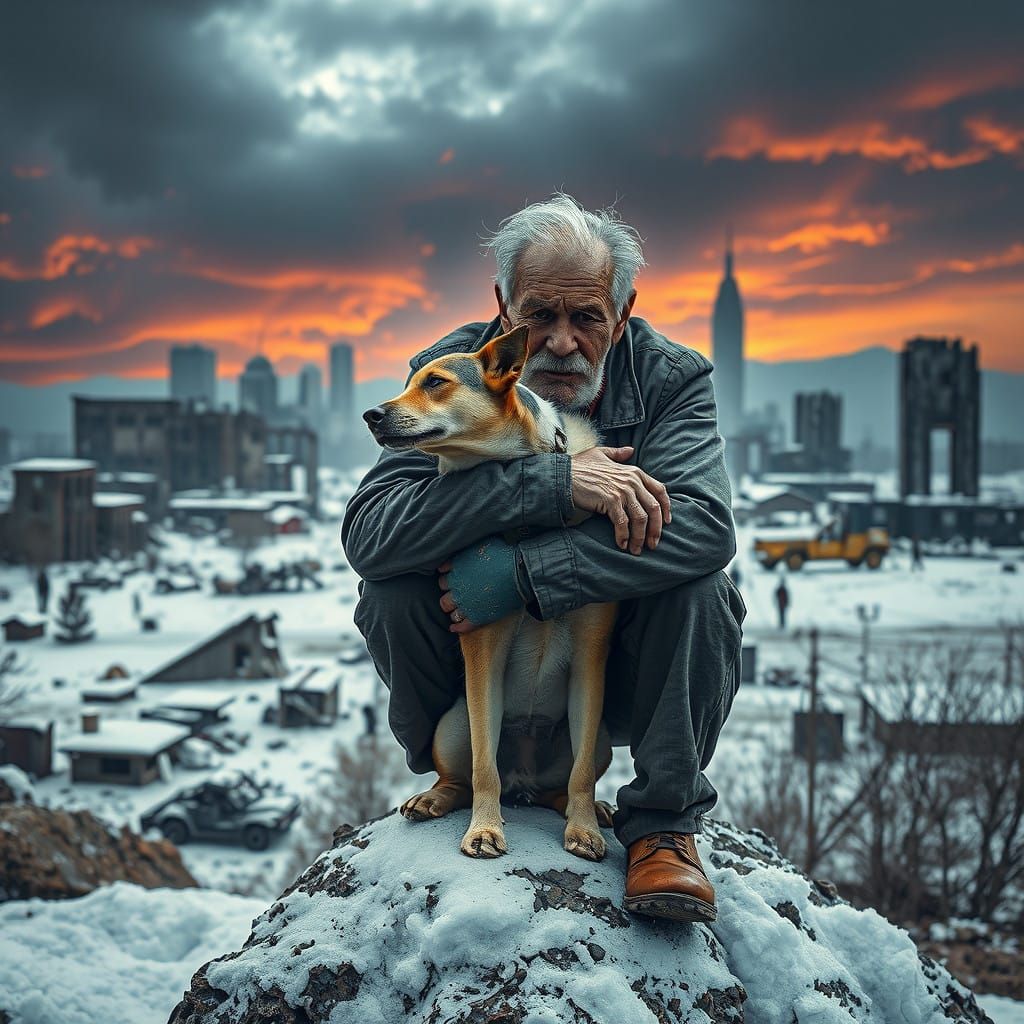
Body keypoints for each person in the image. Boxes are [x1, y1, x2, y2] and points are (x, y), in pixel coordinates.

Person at [342, 194, 745, 923]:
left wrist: (526, 578)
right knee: (390, 589)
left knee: (703, 592)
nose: (560, 343)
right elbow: (372, 535)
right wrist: (556, 483)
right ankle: (463, 776)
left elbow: (706, 528)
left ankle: (662, 826)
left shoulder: (670, 379)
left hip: (608, 670)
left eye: (586, 317)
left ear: (621, 316)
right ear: (503, 310)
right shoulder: (446, 373)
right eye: (539, 316)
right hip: (473, 679)